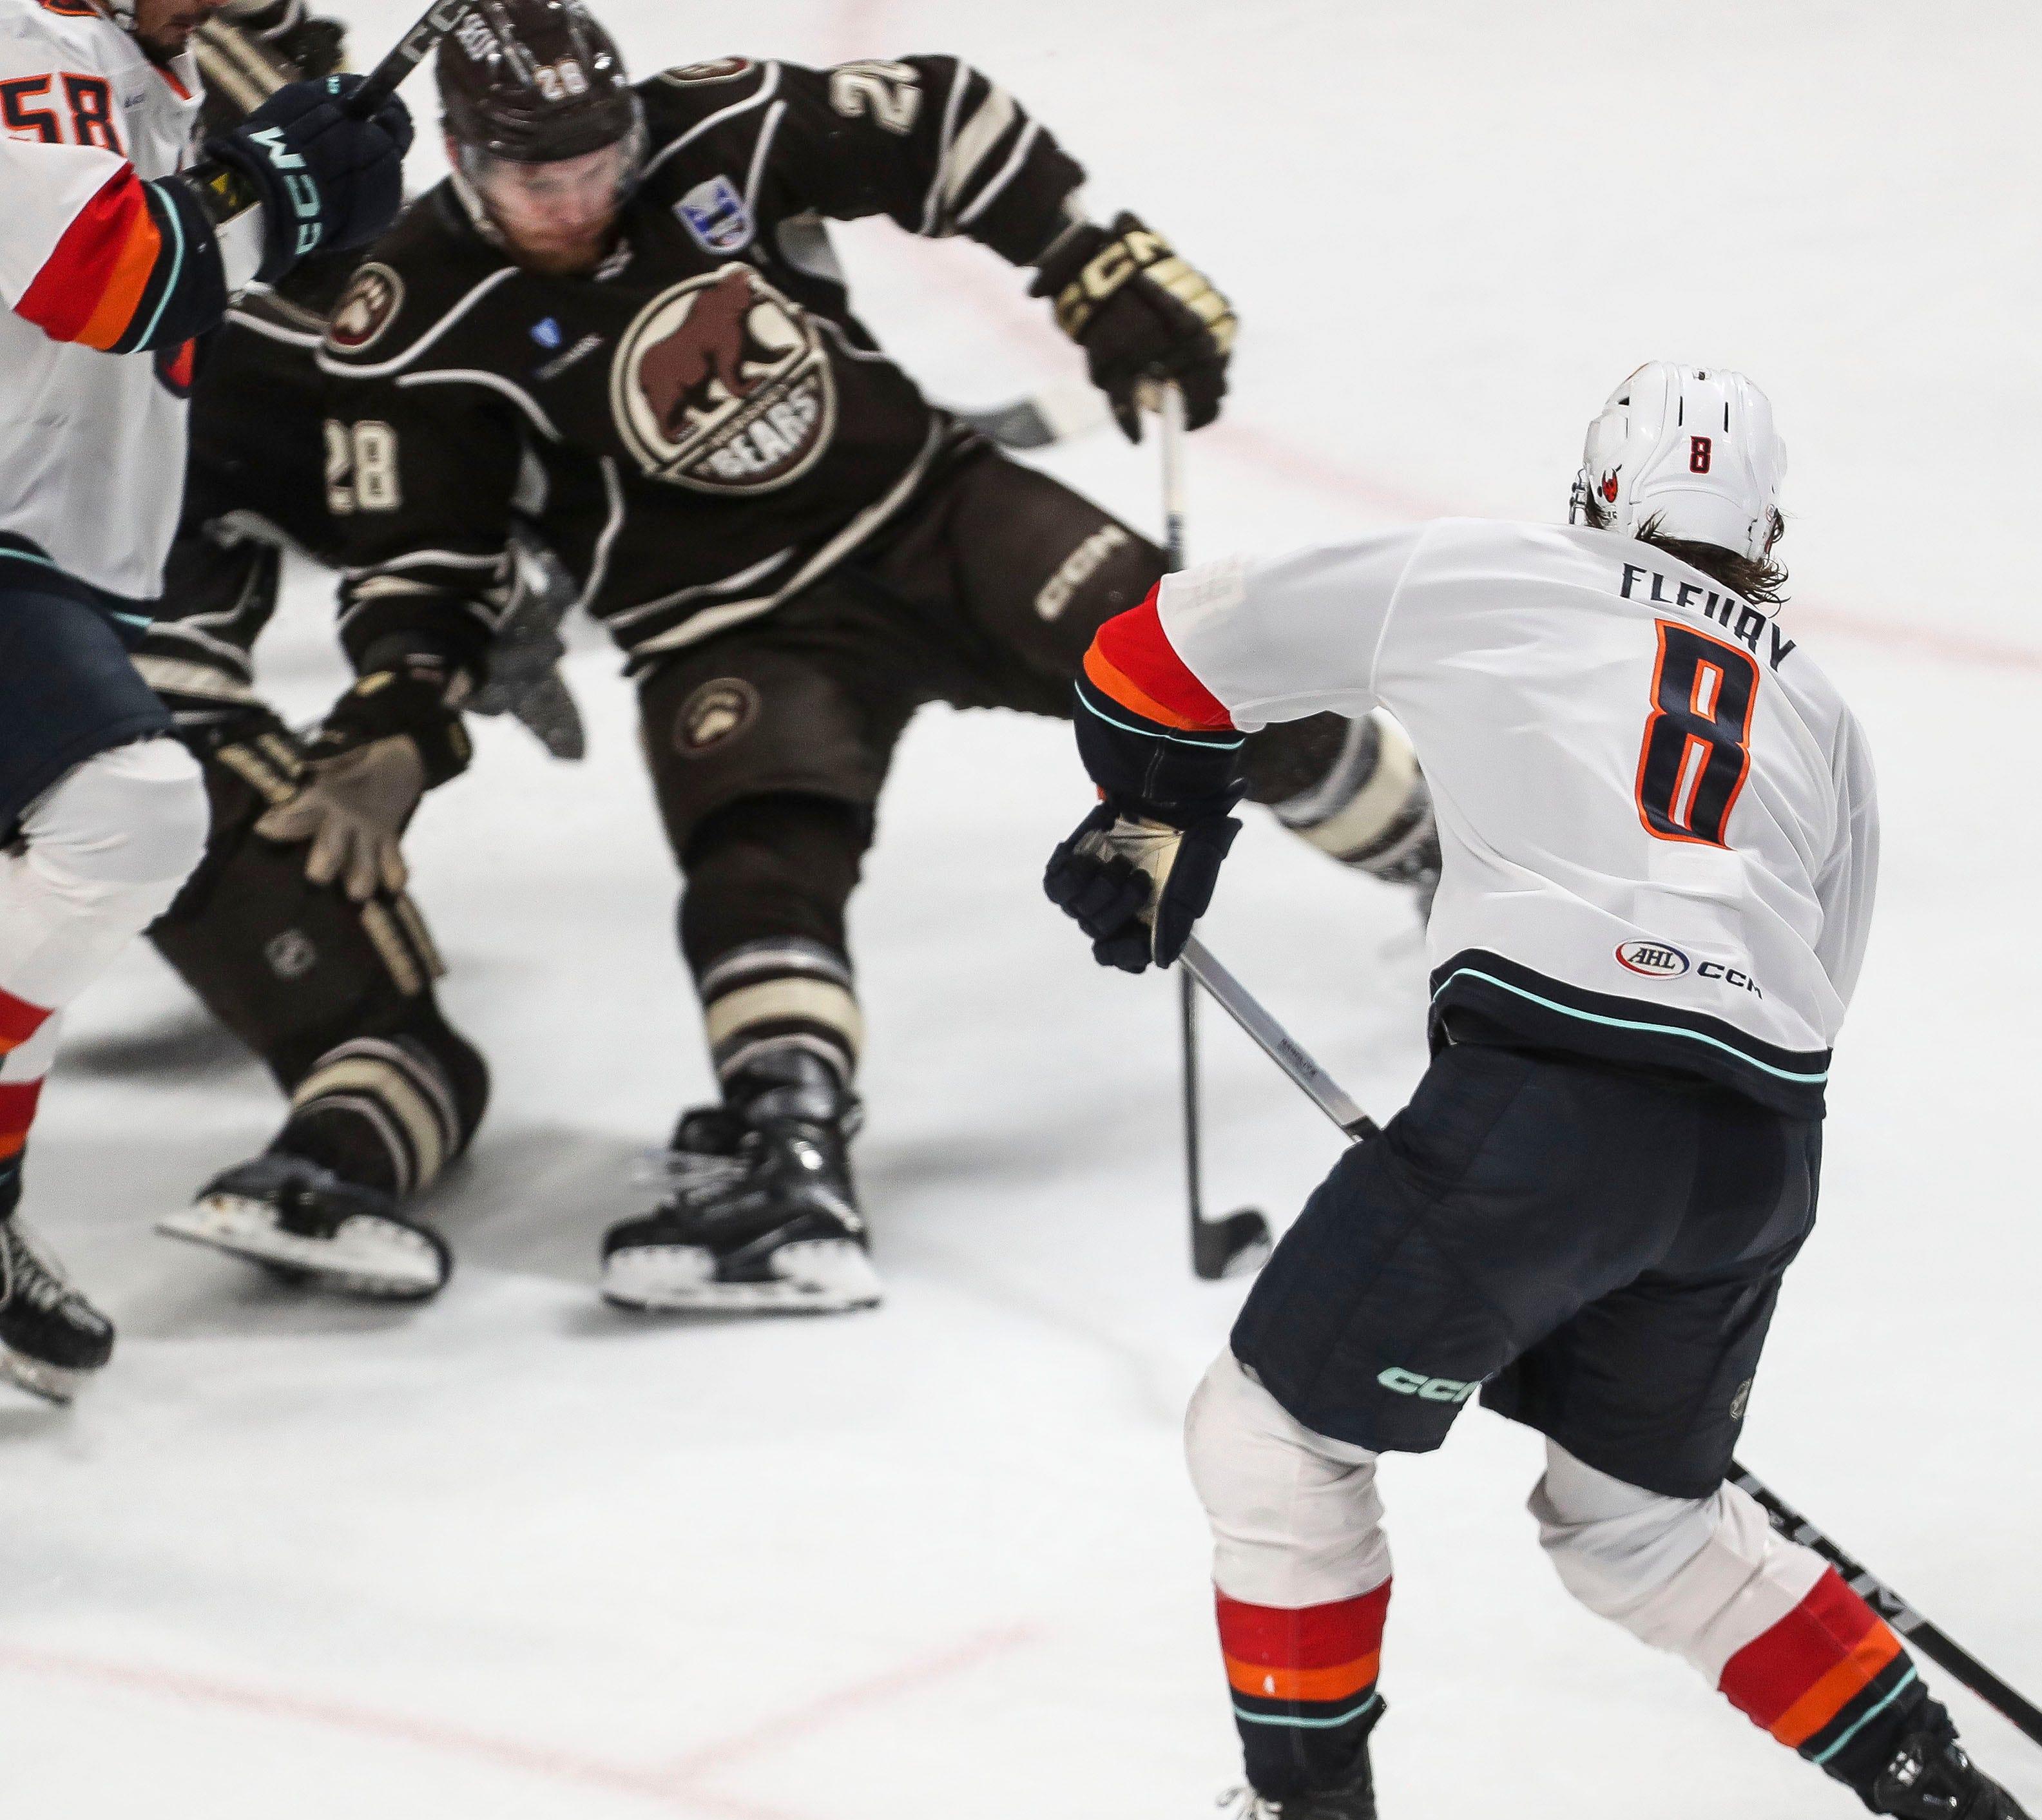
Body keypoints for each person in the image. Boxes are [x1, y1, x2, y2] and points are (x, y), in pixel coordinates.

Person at [1045, 363, 2042, 1820]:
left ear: (1597, 495)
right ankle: (1946, 1799)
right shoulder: (1821, 711)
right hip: (1754, 1152)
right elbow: (1816, 982)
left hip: (1548, 1106)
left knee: (1267, 1439)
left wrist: (1158, 818)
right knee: (1638, 1522)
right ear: (1759, 532)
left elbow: (1153, 648)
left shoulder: (1510, 574)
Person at [320, 0, 1439, 1317]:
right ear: (455, 154)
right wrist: (399, 718)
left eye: (599, 162)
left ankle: (1471, 882)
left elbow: (938, 119)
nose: (579, 199)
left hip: (936, 515)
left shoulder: (716, 123)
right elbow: (418, 564)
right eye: (536, 178)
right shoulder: (404, 318)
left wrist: (1088, 257)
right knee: (757, 862)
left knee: (1221, 686)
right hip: (728, 627)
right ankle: (792, 1158)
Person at [136, 3, 578, 1301]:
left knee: (380, 1050)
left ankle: (337, 1148)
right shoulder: (104, 112)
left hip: (125, 719)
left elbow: (387, 358)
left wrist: (441, 620)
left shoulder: (206, 121)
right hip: (106, 713)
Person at [0, 0, 409, 1395]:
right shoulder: (21, 37)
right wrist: (275, 191)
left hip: (52, 549)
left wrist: (296, 191)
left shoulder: (139, 66)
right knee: (125, 811)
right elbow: (102, 273)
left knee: (55, 872)